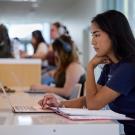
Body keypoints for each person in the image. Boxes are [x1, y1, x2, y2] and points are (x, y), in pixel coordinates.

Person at [38, 10, 135, 135]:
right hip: (118, 129)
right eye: (92, 35)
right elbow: (88, 99)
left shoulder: (128, 67)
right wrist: (59, 104)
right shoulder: (110, 66)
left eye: (97, 34)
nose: (92, 41)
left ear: (113, 34)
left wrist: (90, 67)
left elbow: (93, 104)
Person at [31, 35, 85, 99]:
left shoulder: (74, 67)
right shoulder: (66, 67)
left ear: (62, 51)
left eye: (56, 51)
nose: (55, 54)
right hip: (62, 104)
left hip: (69, 106)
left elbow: (66, 92)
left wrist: (43, 88)